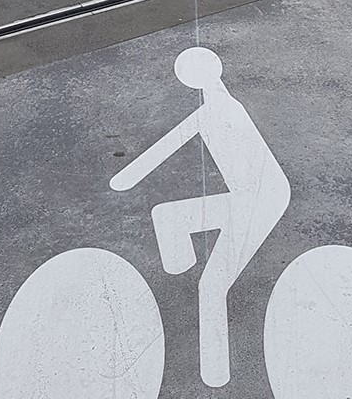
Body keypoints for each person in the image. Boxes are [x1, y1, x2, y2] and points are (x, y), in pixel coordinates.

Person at [110, 48, 290, 388]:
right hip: (247, 196)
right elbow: (167, 145)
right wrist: (126, 178)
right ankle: (179, 266)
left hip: (262, 198)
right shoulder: (216, 107)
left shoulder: (217, 110)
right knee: (167, 216)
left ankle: (215, 374)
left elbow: (165, 147)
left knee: (212, 284)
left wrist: (125, 179)